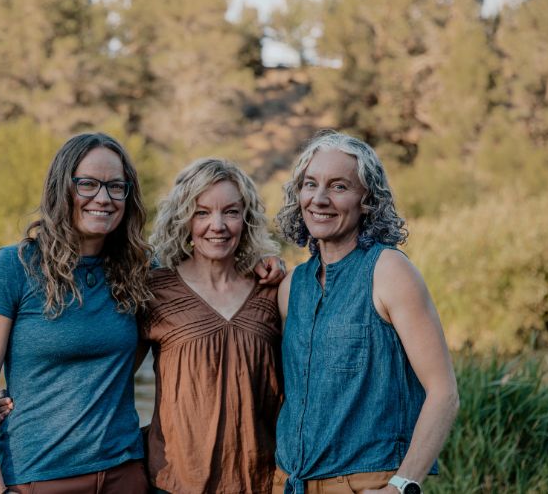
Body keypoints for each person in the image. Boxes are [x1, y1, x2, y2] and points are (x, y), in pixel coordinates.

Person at [0, 132, 153, 494]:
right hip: (38, 475)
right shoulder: (14, 267)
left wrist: (259, 264)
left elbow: (203, 278)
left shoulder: (139, 270)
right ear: (61, 188)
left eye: (116, 186)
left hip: (124, 473)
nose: (103, 197)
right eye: (88, 184)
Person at [272, 130, 459, 494]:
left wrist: (402, 485)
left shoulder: (389, 272)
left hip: (365, 484)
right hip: (290, 482)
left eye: (339, 187)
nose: (320, 199)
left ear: (367, 200)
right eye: (311, 184)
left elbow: (443, 392)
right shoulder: (291, 285)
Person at [142, 158, 284, 493]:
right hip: (175, 482)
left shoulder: (273, 289)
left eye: (231, 212)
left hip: (260, 481)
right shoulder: (155, 291)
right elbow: (109, 370)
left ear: (246, 219)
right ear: (184, 219)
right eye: (202, 212)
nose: (217, 225)